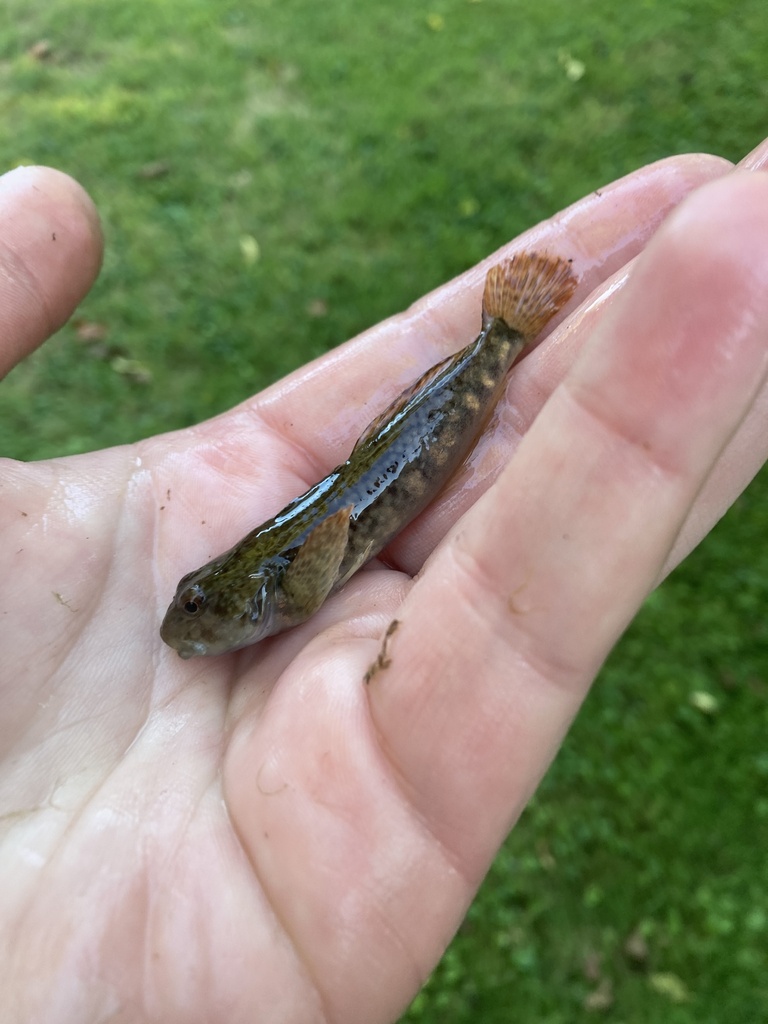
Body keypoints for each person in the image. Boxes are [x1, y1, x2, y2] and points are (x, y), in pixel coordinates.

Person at [1, 140, 767, 1023]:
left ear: (240, 598)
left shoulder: (284, 589)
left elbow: (315, 549)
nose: (189, 627)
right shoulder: (267, 585)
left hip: (409, 438)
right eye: (196, 607)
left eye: (202, 611)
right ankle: (501, 338)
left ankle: (504, 336)